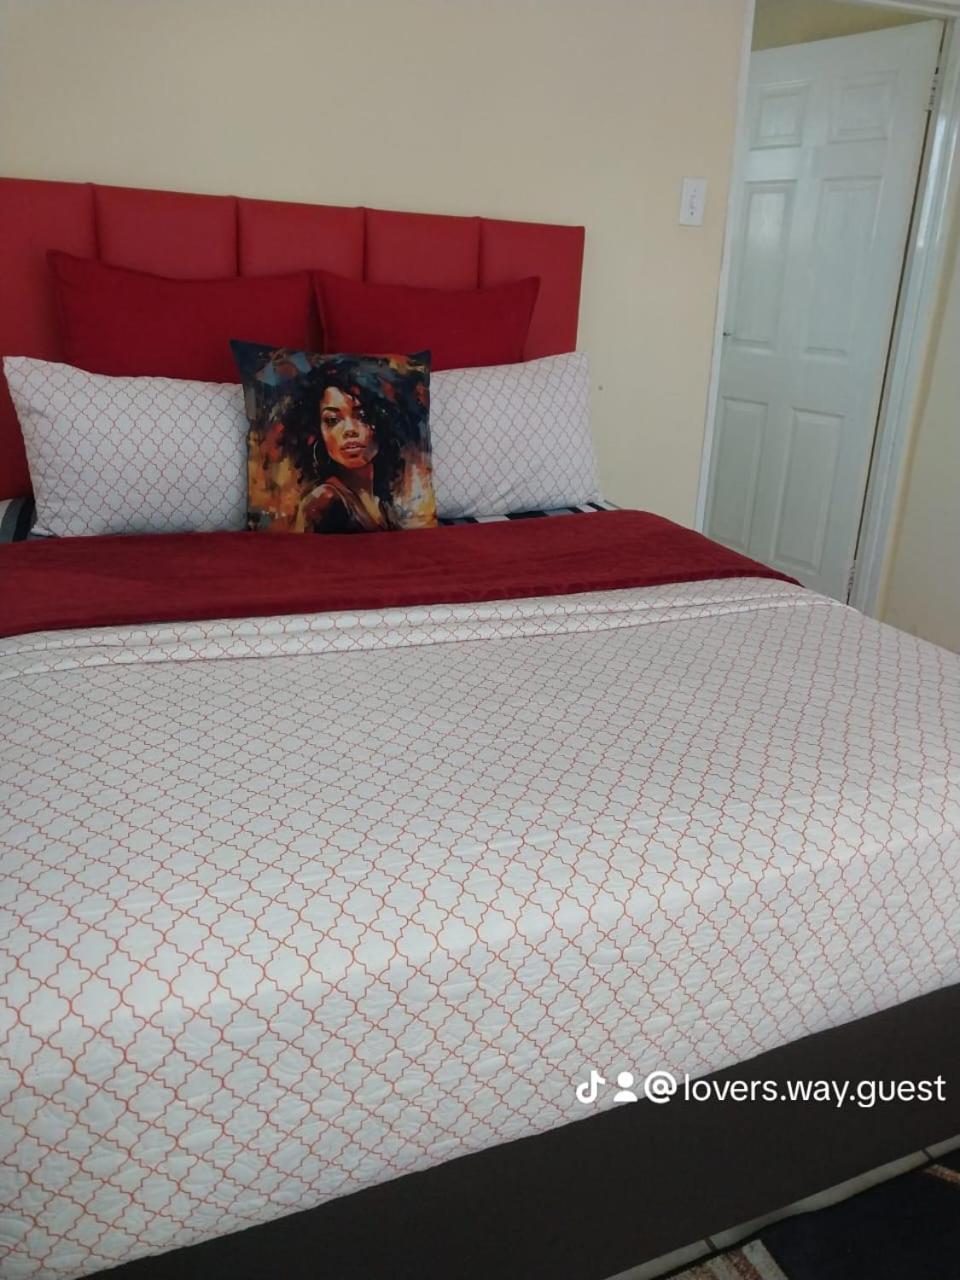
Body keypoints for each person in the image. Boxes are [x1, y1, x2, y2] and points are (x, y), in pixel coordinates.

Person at [286, 366, 405, 533]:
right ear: (318, 433)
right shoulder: (324, 501)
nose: (350, 430)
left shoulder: (382, 505)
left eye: (362, 416)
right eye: (332, 420)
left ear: (382, 424)